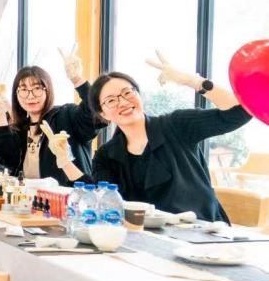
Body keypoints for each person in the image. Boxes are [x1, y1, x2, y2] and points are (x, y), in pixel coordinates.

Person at [89, 53, 252, 222]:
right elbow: (107, 205)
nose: (123, 102)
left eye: (128, 93)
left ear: (139, 95)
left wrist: (192, 81)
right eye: (111, 101)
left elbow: (241, 111)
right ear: (103, 114)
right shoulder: (105, 156)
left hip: (201, 230)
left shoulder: (176, 125)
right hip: (143, 235)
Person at [0, 52, 102, 184]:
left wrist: (77, 80)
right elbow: (4, 158)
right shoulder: (20, 128)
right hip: (26, 195)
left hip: (68, 193)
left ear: (48, 90)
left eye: (37, 88)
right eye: (24, 90)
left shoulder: (66, 115)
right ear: (16, 94)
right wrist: (0, 116)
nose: (30, 96)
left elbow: (97, 115)